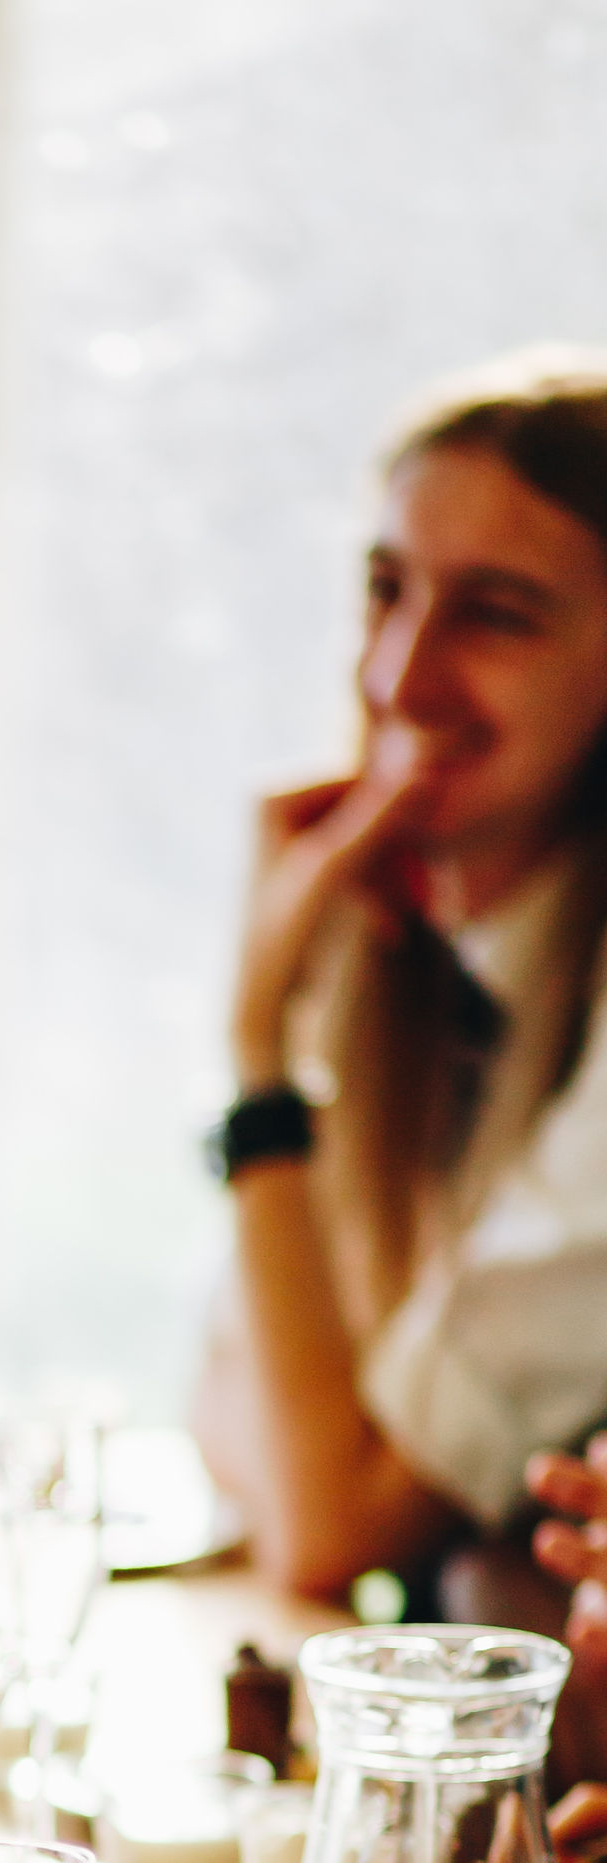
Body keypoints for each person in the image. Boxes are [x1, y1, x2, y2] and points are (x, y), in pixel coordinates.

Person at [195, 352, 607, 1602]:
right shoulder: (415, 964)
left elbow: (324, 1519)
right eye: (386, 593)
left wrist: (260, 1051)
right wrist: (322, 1013)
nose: (399, 679)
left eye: (494, 613)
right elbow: (229, 1418)